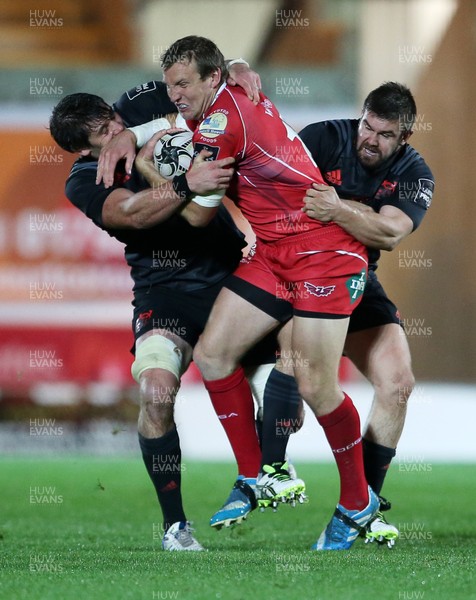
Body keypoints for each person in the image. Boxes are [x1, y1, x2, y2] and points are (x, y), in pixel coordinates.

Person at [48, 70, 300, 551]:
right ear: (83, 150)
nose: (115, 128)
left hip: (232, 273)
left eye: (111, 117)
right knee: (157, 393)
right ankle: (176, 526)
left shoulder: (139, 103)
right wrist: (187, 182)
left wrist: (238, 66)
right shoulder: (84, 180)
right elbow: (130, 213)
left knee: (290, 371)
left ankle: (272, 467)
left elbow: (200, 77)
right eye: (103, 133)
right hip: (164, 292)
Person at [159, 34, 380, 551]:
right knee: (213, 355)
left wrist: (168, 175)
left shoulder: (217, 122)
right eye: (170, 85)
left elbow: (196, 215)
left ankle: (357, 501)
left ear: (213, 79)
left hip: (324, 249)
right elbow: (205, 87)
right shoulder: (228, 90)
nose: (174, 95)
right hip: (275, 251)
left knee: (316, 385)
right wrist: (238, 63)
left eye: (183, 84)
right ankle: (256, 474)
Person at [296, 81, 434, 546]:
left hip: (357, 280)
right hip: (295, 275)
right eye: (366, 127)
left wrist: (335, 209)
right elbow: (275, 195)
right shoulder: (321, 138)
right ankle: (265, 467)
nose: (369, 140)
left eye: (384, 134)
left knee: (398, 386)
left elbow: (390, 233)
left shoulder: (416, 173)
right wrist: (358, 214)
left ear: (405, 137)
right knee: (293, 378)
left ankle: (359, 507)